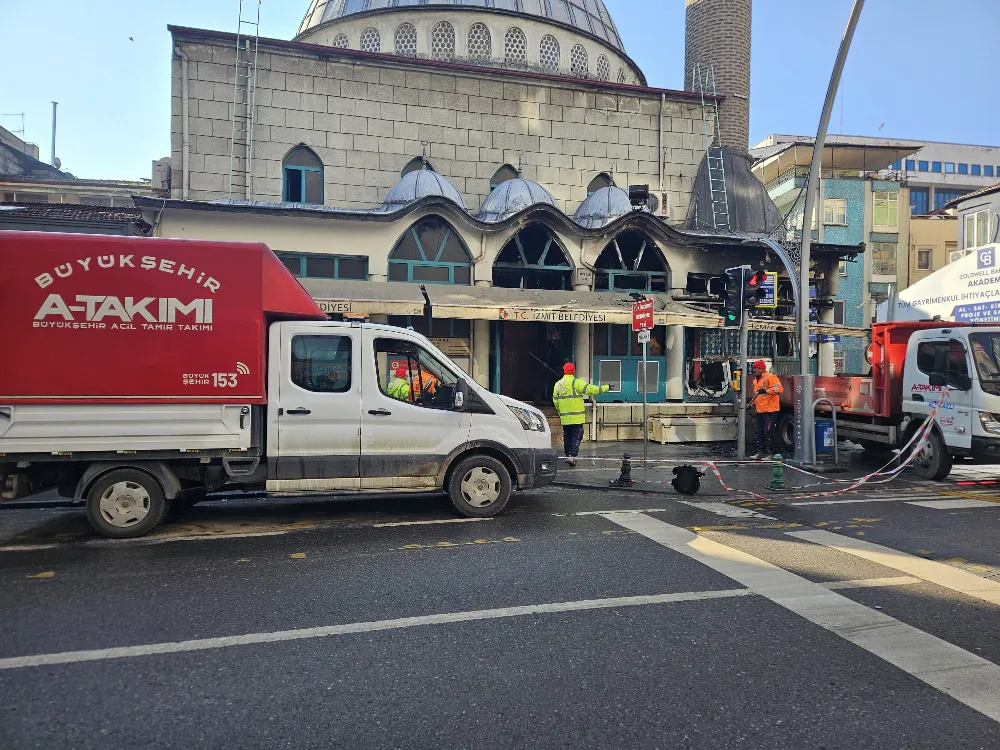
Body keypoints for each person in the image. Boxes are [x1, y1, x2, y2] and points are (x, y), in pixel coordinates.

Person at [553, 363, 610, 466]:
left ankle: (568, 455)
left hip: (565, 418)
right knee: (577, 436)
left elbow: (555, 401)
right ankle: (572, 456)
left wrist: (561, 411)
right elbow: (591, 389)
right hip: (577, 418)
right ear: (573, 371)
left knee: (568, 436)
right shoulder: (577, 383)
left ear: (563, 370)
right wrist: (606, 387)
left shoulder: (558, 384)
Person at [750, 360, 783, 459]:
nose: (754, 370)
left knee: (769, 432)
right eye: (754, 368)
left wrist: (767, 391)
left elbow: (779, 389)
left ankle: (773, 453)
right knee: (759, 432)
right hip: (760, 410)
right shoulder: (756, 380)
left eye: (756, 368)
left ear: (761, 369)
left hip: (770, 410)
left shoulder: (770, 377)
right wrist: (751, 405)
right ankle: (761, 452)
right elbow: (758, 396)